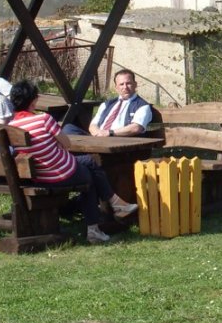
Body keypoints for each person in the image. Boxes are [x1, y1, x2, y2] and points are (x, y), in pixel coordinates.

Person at [8, 80, 138, 244]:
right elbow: (67, 144)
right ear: (33, 100)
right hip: (60, 173)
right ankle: (106, 215)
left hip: (38, 175)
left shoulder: (11, 126)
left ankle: (112, 210)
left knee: (89, 165)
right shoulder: (43, 120)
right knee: (90, 173)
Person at [64, 69, 153, 137]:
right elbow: (93, 124)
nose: (125, 87)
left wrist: (109, 133)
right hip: (99, 139)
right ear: (116, 87)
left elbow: (136, 128)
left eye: (128, 83)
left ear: (135, 84)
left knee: (77, 159)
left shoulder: (142, 106)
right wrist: (98, 134)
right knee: (68, 128)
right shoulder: (107, 104)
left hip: (119, 141)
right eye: (121, 84)